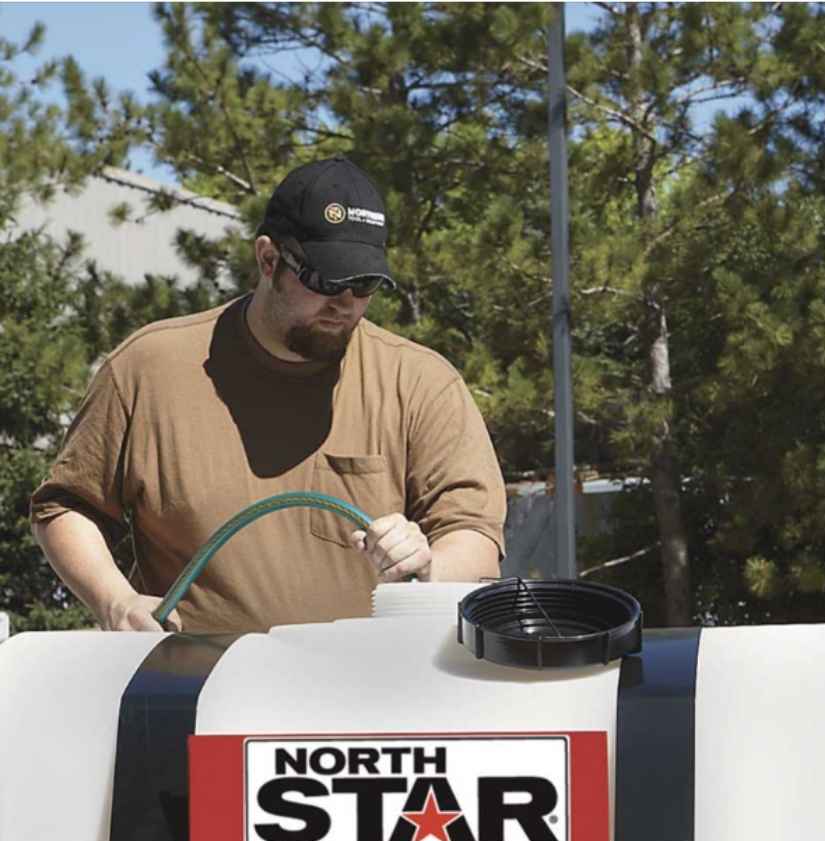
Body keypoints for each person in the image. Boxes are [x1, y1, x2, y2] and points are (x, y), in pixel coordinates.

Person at [30, 157, 505, 634]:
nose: (344, 304)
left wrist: (429, 568)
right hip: (192, 692)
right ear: (268, 259)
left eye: (364, 286)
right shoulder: (148, 368)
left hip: (368, 691)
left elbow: (475, 536)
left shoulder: (421, 383)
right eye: (325, 280)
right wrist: (115, 601)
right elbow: (67, 507)